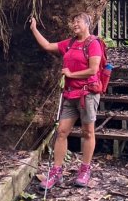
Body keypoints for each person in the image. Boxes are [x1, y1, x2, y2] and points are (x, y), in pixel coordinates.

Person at [30, 12, 103, 190]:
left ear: (87, 24)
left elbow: (93, 70)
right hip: (70, 95)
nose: (75, 24)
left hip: (88, 95)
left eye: (78, 22)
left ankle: (84, 171)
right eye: (73, 22)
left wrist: (71, 74)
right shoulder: (69, 44)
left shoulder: (93, 44)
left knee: (88, 132)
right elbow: (47, 46)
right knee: (62, 132)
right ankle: (56, 172)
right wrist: (34, 28)